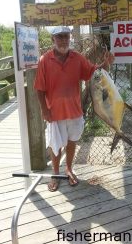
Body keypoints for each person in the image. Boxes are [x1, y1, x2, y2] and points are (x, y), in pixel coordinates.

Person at [34, 26, 114, 191]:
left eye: (66, 37)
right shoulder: (44, 60)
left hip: (75, 110)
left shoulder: (77, 58)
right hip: (54, 112)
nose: (63, 40)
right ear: (53, 40)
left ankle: (69, 169)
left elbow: (93, 73)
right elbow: (39, 89)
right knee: (55, 144)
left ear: (70, 38)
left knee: (72, 142)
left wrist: (106, 64)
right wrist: (44, 110)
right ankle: (56, 174)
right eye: (59, 37)